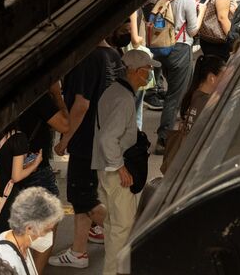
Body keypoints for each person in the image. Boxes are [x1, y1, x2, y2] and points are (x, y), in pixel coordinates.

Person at [50, 39, 122, 269]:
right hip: (106, 137)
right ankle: (78, 252)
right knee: (85, 194)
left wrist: (65, 139)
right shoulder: (113, 55)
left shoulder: (86, 59)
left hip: (86, 141)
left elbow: (81, 105)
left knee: (84, 198)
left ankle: (130, 236)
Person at [92, 50, 159, 275]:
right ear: (138, 71)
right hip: (116, 172)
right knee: (122, 229)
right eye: (148, 70)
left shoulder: (113, 91)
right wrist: (120, 167)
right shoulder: (124, 99)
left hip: (105, 169)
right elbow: (107, 138)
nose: (150, 75)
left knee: (113, 227)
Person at [15, 83, 70, 273]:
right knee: (48, 222)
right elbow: (65, 124)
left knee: (16, 224)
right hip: (34, 168)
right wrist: (56, 94)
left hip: (5, 168)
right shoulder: (37, 96)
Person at [150, 0, 200, 155]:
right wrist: (200, 10)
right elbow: (193, 30)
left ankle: (171, 133)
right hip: (180, 48)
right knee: (175, 96)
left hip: (163, 48)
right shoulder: (186, 0)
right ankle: (164, 138)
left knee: (173, 90)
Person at [160, 55, 227, 174]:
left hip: (187, 159)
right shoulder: (207, 103)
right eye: (223, 76)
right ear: (211, 78)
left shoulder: (194, 95)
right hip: (197, 165)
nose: (227, 80)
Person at [0, 188, 64, 275]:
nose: (49, 234)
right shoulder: (2, 261)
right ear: (29, 228)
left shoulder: (21, 245)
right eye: (46, 230)